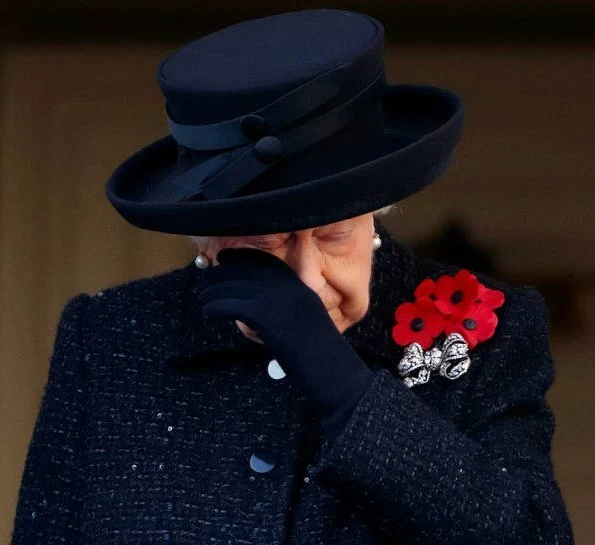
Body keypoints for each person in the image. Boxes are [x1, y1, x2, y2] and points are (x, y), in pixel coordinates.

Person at [10, 8, 574, 545]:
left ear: (375, 214)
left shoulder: (491, 330)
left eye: (333, 235)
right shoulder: (110, 337)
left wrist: (345, 388)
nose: (309, 281)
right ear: (205, 238)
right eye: (265, 243)